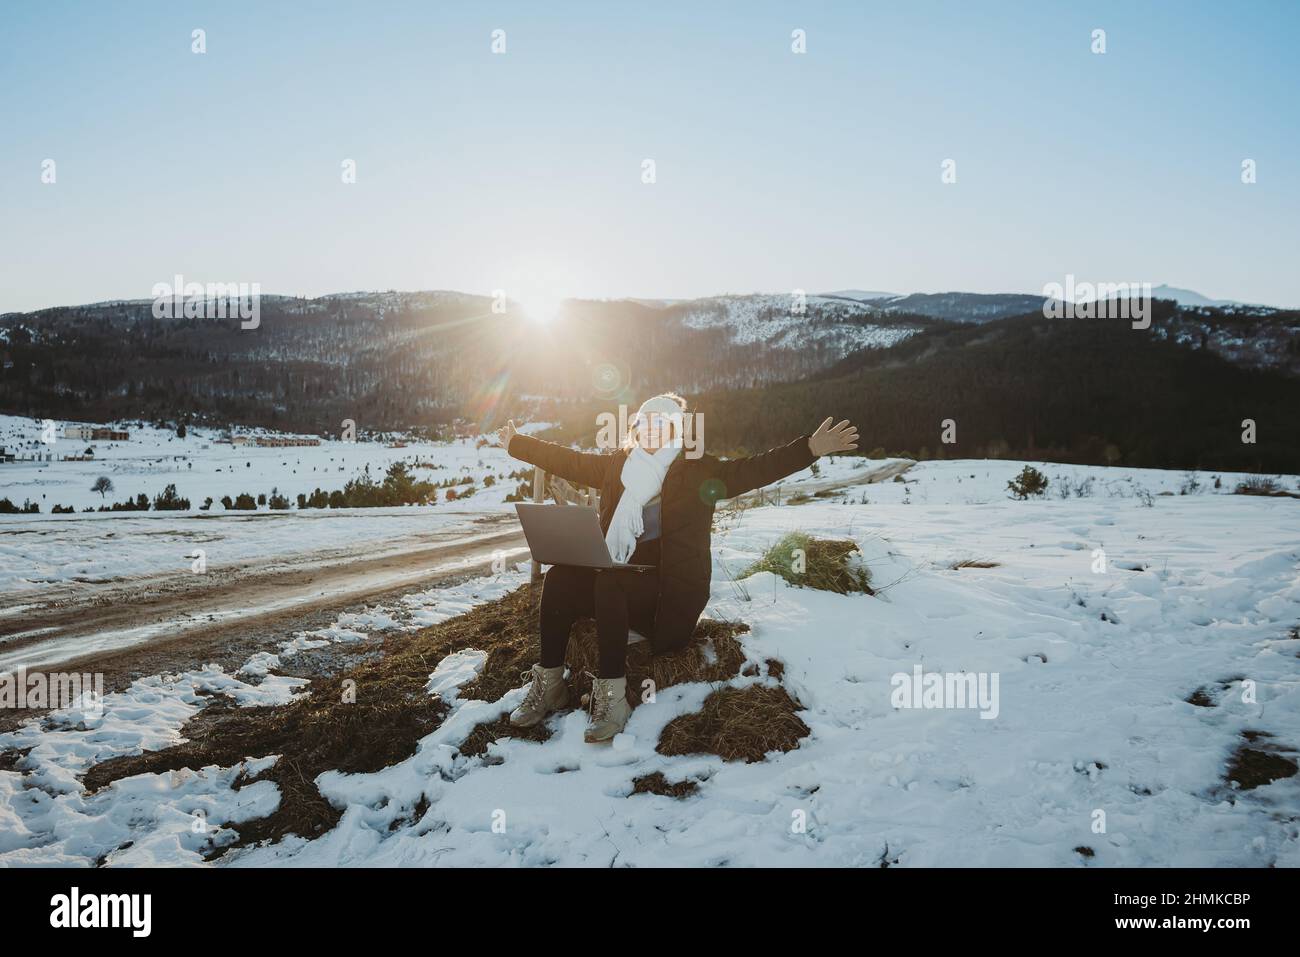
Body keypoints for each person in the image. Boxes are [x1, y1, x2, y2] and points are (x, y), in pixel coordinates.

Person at [496, 394, 858, 743]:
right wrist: (517, 444)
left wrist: (810, 448)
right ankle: (550, 683)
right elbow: (567, 460)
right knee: (560, 577)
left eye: (661, 423)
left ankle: (612, 697)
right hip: (620, 576)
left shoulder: (698, 473)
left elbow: (755, 469)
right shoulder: (618, 467)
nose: (651, 429)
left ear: (676, 430)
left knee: (610, 583)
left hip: (669, 592)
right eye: (644, 422)